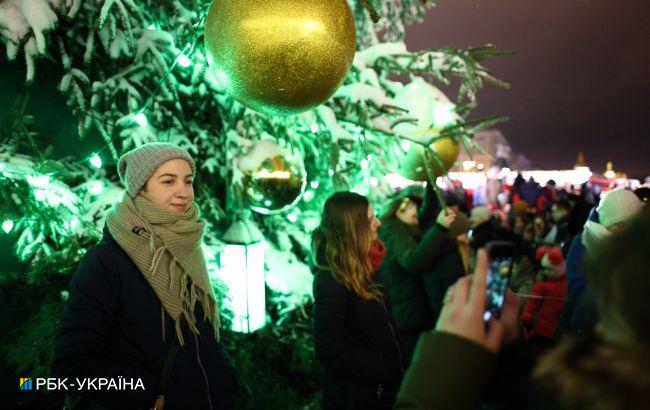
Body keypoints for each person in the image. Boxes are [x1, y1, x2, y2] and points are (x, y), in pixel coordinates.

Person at [395, 208, 650, 410]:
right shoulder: (610, 383)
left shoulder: (612, 390)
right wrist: (508, 348)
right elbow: (541, 398)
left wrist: (452, 353)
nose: (599, 326)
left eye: (610, 312)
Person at [52, 143, 236, 410]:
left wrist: (224, 377)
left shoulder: (186, 246)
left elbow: (199, 334)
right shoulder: (107, 261)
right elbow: (71, 367)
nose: (183, 192)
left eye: (188, 181)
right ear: (141, 188)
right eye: (168, 181)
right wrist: (148, 394)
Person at [312, 192, 404, 409]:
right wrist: (382, 367)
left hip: (383, 390)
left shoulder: (366, 265)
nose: (378, 223)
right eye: (371, 220)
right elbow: (329, 348)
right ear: (353, 228)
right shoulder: (330, 279)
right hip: (358, 397)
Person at [377, 194, 457, 363]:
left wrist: (430, 184)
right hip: (409, 316)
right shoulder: (393, 230)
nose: (417, 222)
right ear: (399, 212)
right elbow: (412, 261)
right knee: (418, 364)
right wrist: (440, 228)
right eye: (413, 217)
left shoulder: (400, 227)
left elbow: (425, 214)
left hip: (411, 311)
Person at [520, 246, 568, 346]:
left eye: (549, 269)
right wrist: (526, 318)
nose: (545, 272)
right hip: (543, 325)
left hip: (557, 327)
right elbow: (533, 302)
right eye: (545, 269)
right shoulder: (542, 282)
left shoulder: (565, 282)